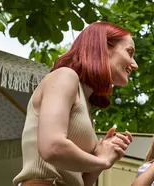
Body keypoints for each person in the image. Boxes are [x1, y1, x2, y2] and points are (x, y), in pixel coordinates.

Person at [13, 22, 138, 186]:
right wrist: (103, 162)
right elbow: (53, 148)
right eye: (129, 52)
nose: (134, 65)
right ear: (103, 47)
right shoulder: (65, 76)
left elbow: (83, 182)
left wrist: (101, 158)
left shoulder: (86, 104)